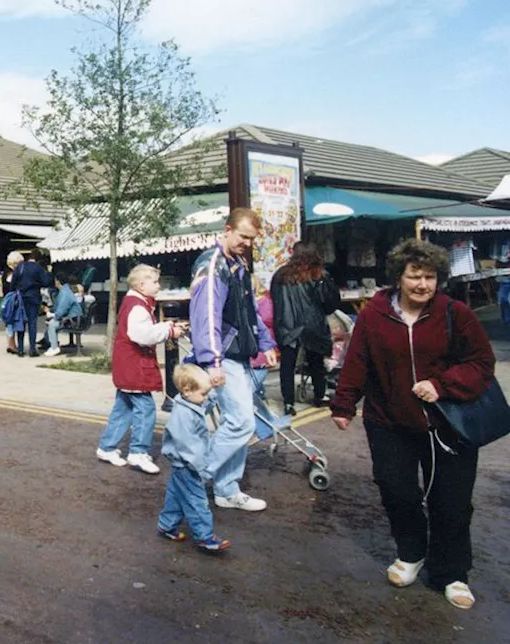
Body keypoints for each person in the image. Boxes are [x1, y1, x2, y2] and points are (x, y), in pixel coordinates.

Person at [330, 239, 494, 610]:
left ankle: (451, 573)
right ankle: (411, 553)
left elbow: (481, 363)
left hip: (449, 425)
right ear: (398, 278)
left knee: (450, 503)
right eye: (415, 276)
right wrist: (343, 403)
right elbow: (358, 361)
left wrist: (441, 385)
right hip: (388, 420)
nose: (423, 284)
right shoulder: (374, 314)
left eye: (431, 277)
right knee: (397, 492)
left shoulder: (456, 314)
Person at [189, 207, 277, 512]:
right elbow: (206, 316)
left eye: (252, 239)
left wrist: (266, 344)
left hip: (236, 355)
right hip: (223, 356)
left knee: (238, 422)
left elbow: (250, 311)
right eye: (243, 237)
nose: (247, 244)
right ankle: (195, 479)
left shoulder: (237, 264)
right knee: (241, 421)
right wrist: (212, 362)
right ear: (227, 229)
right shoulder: (213, 264)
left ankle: (226, 490)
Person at [97, 265, 184, 474]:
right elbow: (142, 335)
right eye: (155, 282)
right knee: (146, 410)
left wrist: (166, 328)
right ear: (142, 285)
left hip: (127, 364)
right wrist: (169, 329)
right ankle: (138, 452)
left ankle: (107, 447)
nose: (158, 285)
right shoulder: (138, 307)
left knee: (123, 408)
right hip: (136, 365)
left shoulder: (134, 302)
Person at [158, 364, 230, 554]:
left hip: (182, 463)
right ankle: (205, 536)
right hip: (188, 464)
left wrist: (213, 389)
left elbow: (205, 403)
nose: (205, 397)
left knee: (176, 495)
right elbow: (190, 447)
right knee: (197, 500)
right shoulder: (183, 415)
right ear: (187, 390)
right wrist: (202, 469)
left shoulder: (190, 401)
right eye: (203, 393)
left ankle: (167, 525)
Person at [271, 241, 339, 415]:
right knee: (316, 362)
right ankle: (319, 396)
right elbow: (330, 302)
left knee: (287, 365)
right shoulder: (318, 275)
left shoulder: (281, 275)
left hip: (287, 324)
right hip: (313, 324)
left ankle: (288, 403)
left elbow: (275, 299)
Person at [9, 252, 52, 357]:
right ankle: (32, 349)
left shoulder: (19, 267)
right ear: (37, 260)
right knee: (32, 323)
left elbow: (12, 284)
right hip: (34, 297)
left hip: (21, 298)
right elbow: (46, 282)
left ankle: (20, 349)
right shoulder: (38, 268)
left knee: (21, 322)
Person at [43, 272, 84, 357]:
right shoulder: (65, 290)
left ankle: (54, 347)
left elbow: (61, 311)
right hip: (74, 318)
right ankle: (52, 344)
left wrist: (50, 314)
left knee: (52, 324)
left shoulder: (65, 293)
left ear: (58, 282)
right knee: (51, 322)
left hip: (73, 320)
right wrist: (51, 311)